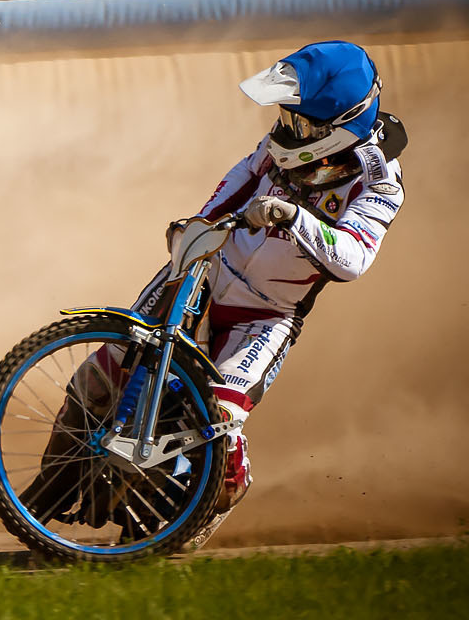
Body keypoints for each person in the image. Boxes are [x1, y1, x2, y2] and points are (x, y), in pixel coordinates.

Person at [165, 40, 406, 513]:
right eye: (287, 117)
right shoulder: (281, 146)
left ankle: (218, 495)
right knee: (108, 367)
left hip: (266, 315)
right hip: (208, 270)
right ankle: (42, 487)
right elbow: (243, 174)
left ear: (337, 127)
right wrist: (198, 225)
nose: (288, 129)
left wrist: (292, 216)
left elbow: (354, 258)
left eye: (301, 123)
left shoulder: (379, 182)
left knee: (217, 417)